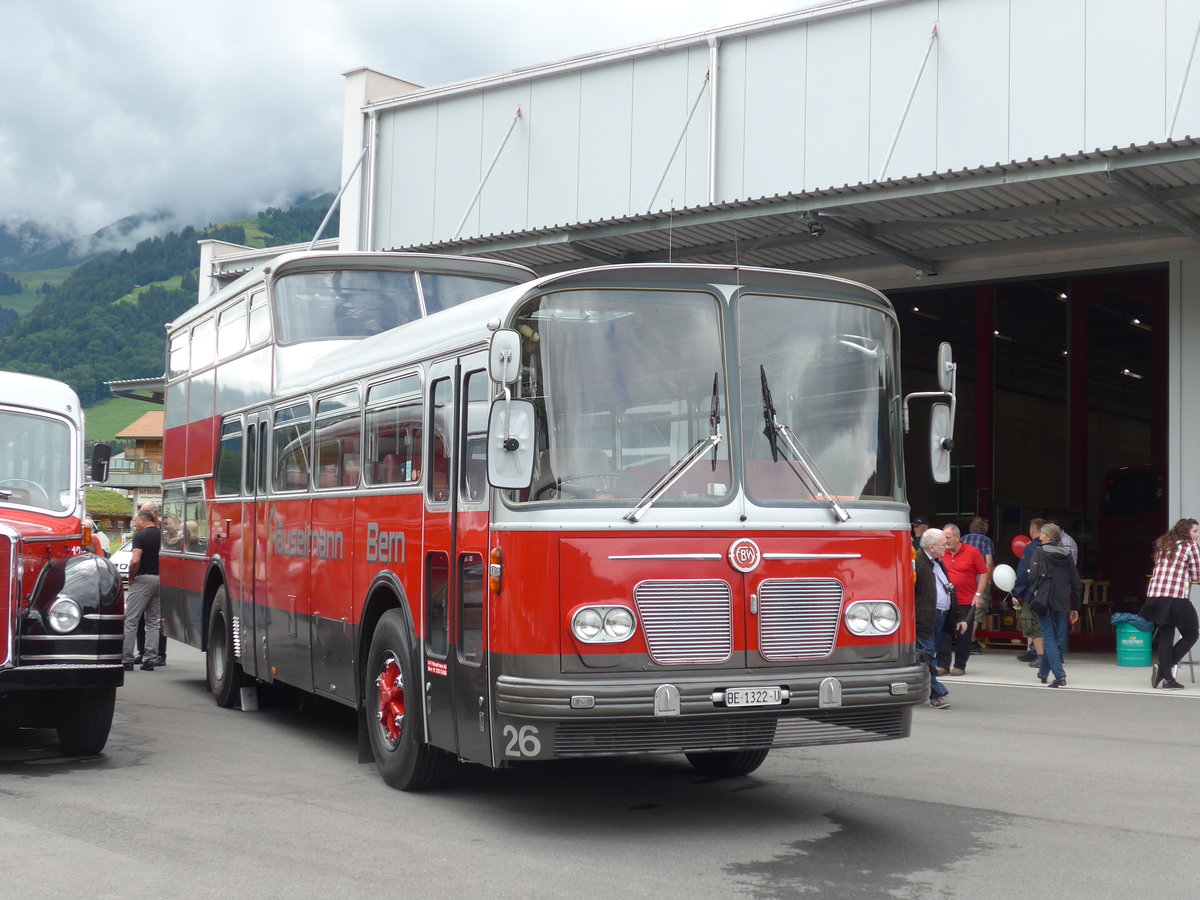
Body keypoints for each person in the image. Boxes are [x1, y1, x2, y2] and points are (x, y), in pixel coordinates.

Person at [1139, 517, 1200, 690]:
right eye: (1195, 531)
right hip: (1175, 596)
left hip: (1156, 596)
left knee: (1166, 635)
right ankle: (1164, 674)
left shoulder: (1164, 544)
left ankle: (1166, 677)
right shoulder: (1190, 546)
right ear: (1186, 531)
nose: (1197, 535)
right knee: (1191, 634)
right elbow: (1197, 574)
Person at [1026, 523, 1082, 687]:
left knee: (1048, 636)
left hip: (1045, 599)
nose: (1039, 537)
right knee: (1057, 638)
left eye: (1042, 534)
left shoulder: (1039, 551)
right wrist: (1075, 606)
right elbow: (1076, 582)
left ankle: (1059, 675)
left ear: (1049, 537)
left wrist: (1029, 574)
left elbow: (1032, 577)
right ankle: (1043, 673)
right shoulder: (1067, 554)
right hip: (1063, 600)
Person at [936, 523, 988, 676]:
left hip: (966, 600)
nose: (945, 541)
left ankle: (960, 665)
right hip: (945, 601)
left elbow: (983, 573)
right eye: (943, 538)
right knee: (944, 634)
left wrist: (979, 594)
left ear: (958, 537)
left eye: (948, 537)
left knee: (964, 635)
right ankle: (943, 665)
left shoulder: (972, 552)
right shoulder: (941, 552)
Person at [915, 528, 953, 708]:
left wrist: (958, 617)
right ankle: (936, 694)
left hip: (939, 617)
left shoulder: (937, 563)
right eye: (943, 544)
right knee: (929, 656)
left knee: (926, 657)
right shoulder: (917, 562)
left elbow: (949, 588)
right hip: (925, 618)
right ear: (931, 547)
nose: (947, 546)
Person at [123, 510, 162, 672]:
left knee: (131, 620)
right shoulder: (163, 536)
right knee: (153, 621)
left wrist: (131, 577)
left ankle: (126, 659)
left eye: (135, 521)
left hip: (143, 579)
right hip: (161, 580)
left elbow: (135, 560)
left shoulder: (140, 537)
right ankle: (150, 660)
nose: (134, 524)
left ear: (143, 519)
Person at [1013, 518, 1046, 666]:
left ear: (1032, 530)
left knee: (1033, 625)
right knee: (1049, 625)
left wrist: (1017, 592)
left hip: (1033, 593)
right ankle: (1046, 654)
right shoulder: (1055, 547)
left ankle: (1041, 656)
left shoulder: (1031, 548)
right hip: (1051, 593)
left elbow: (1023, 573)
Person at [961, 516, 995, 653]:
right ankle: (971, 640)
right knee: (978, 609)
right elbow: (989, 561)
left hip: (964, 577)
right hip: (980, 577)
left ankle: (963, 638)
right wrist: (989, 578)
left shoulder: (962, 539)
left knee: (964, 607)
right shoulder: (986, 541)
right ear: (984, 529)